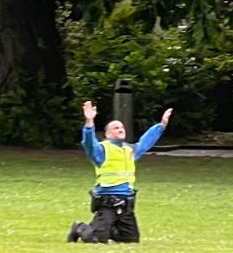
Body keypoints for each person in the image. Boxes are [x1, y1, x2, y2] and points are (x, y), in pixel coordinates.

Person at [67, 100, 172, 244]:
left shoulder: (130, 150)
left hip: (126, 205)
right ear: (108, 134)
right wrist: (89, 122)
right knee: (96, 239)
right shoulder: (102, 150)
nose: (121, 129)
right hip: (107, 203)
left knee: (130, 240)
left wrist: (161, 125)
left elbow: (145, 142)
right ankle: (79, 227)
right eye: (116, 128)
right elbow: (89, 144)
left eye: (122, 127)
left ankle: (107, 229)